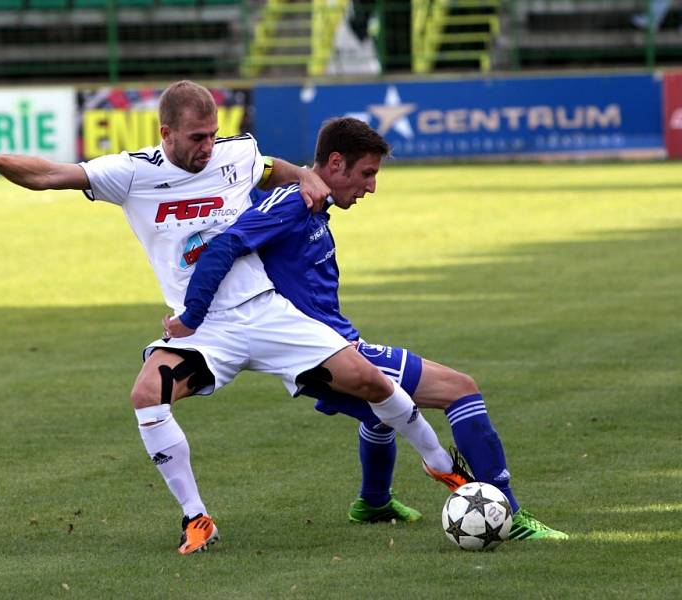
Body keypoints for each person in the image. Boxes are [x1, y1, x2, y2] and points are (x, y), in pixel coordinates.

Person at [0, 81, 457, 555]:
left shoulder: (236, 153)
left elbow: (269, 166)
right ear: (165, 132)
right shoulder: (132, 173)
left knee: (367, 379)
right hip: (204, 330)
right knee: (147, 393)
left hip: (264, 309)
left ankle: (441, 467)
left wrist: (303, 175)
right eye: (196, 137)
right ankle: (197, 518)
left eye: (212, 135)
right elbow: (52, 175)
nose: (207, 146)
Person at [165, 116, 569, 542]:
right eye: (367, 174)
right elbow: (224, 245)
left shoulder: (309, 203)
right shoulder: (291, 204)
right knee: (460, 389)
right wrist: (192, 317)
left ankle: (373, 501)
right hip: (323, 352)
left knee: (381, 413)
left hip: (328, 347)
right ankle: (512, 513)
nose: (371, 187)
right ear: (335, 164)